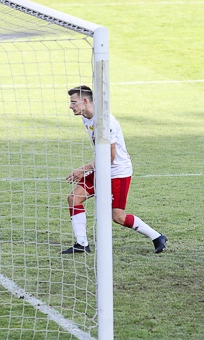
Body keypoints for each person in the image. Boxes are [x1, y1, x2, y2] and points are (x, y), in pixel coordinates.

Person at [63, 86, 167, 254]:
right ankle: (82, 243)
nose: (70, 106)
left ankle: (157, 237)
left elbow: (109, 158)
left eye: (73, 102)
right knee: (74, 198)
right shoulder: (86, 117)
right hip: (101, 169)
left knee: (118, 217)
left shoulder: (105, 123)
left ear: (85, 101)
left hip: (118, 172)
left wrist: (83, 169)